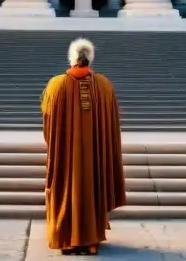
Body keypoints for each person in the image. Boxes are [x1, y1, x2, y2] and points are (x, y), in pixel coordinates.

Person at [41, 38, 125, 255]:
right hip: (95, 157)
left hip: (66, 157)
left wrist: (57, 145)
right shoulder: (105, 86)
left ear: (71, 58)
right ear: (90, 58)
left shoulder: (56, 85)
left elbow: (48, 122)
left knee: (66, 188)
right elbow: (113, 125)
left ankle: (67, 240)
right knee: (92, 189)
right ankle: (91, 241)